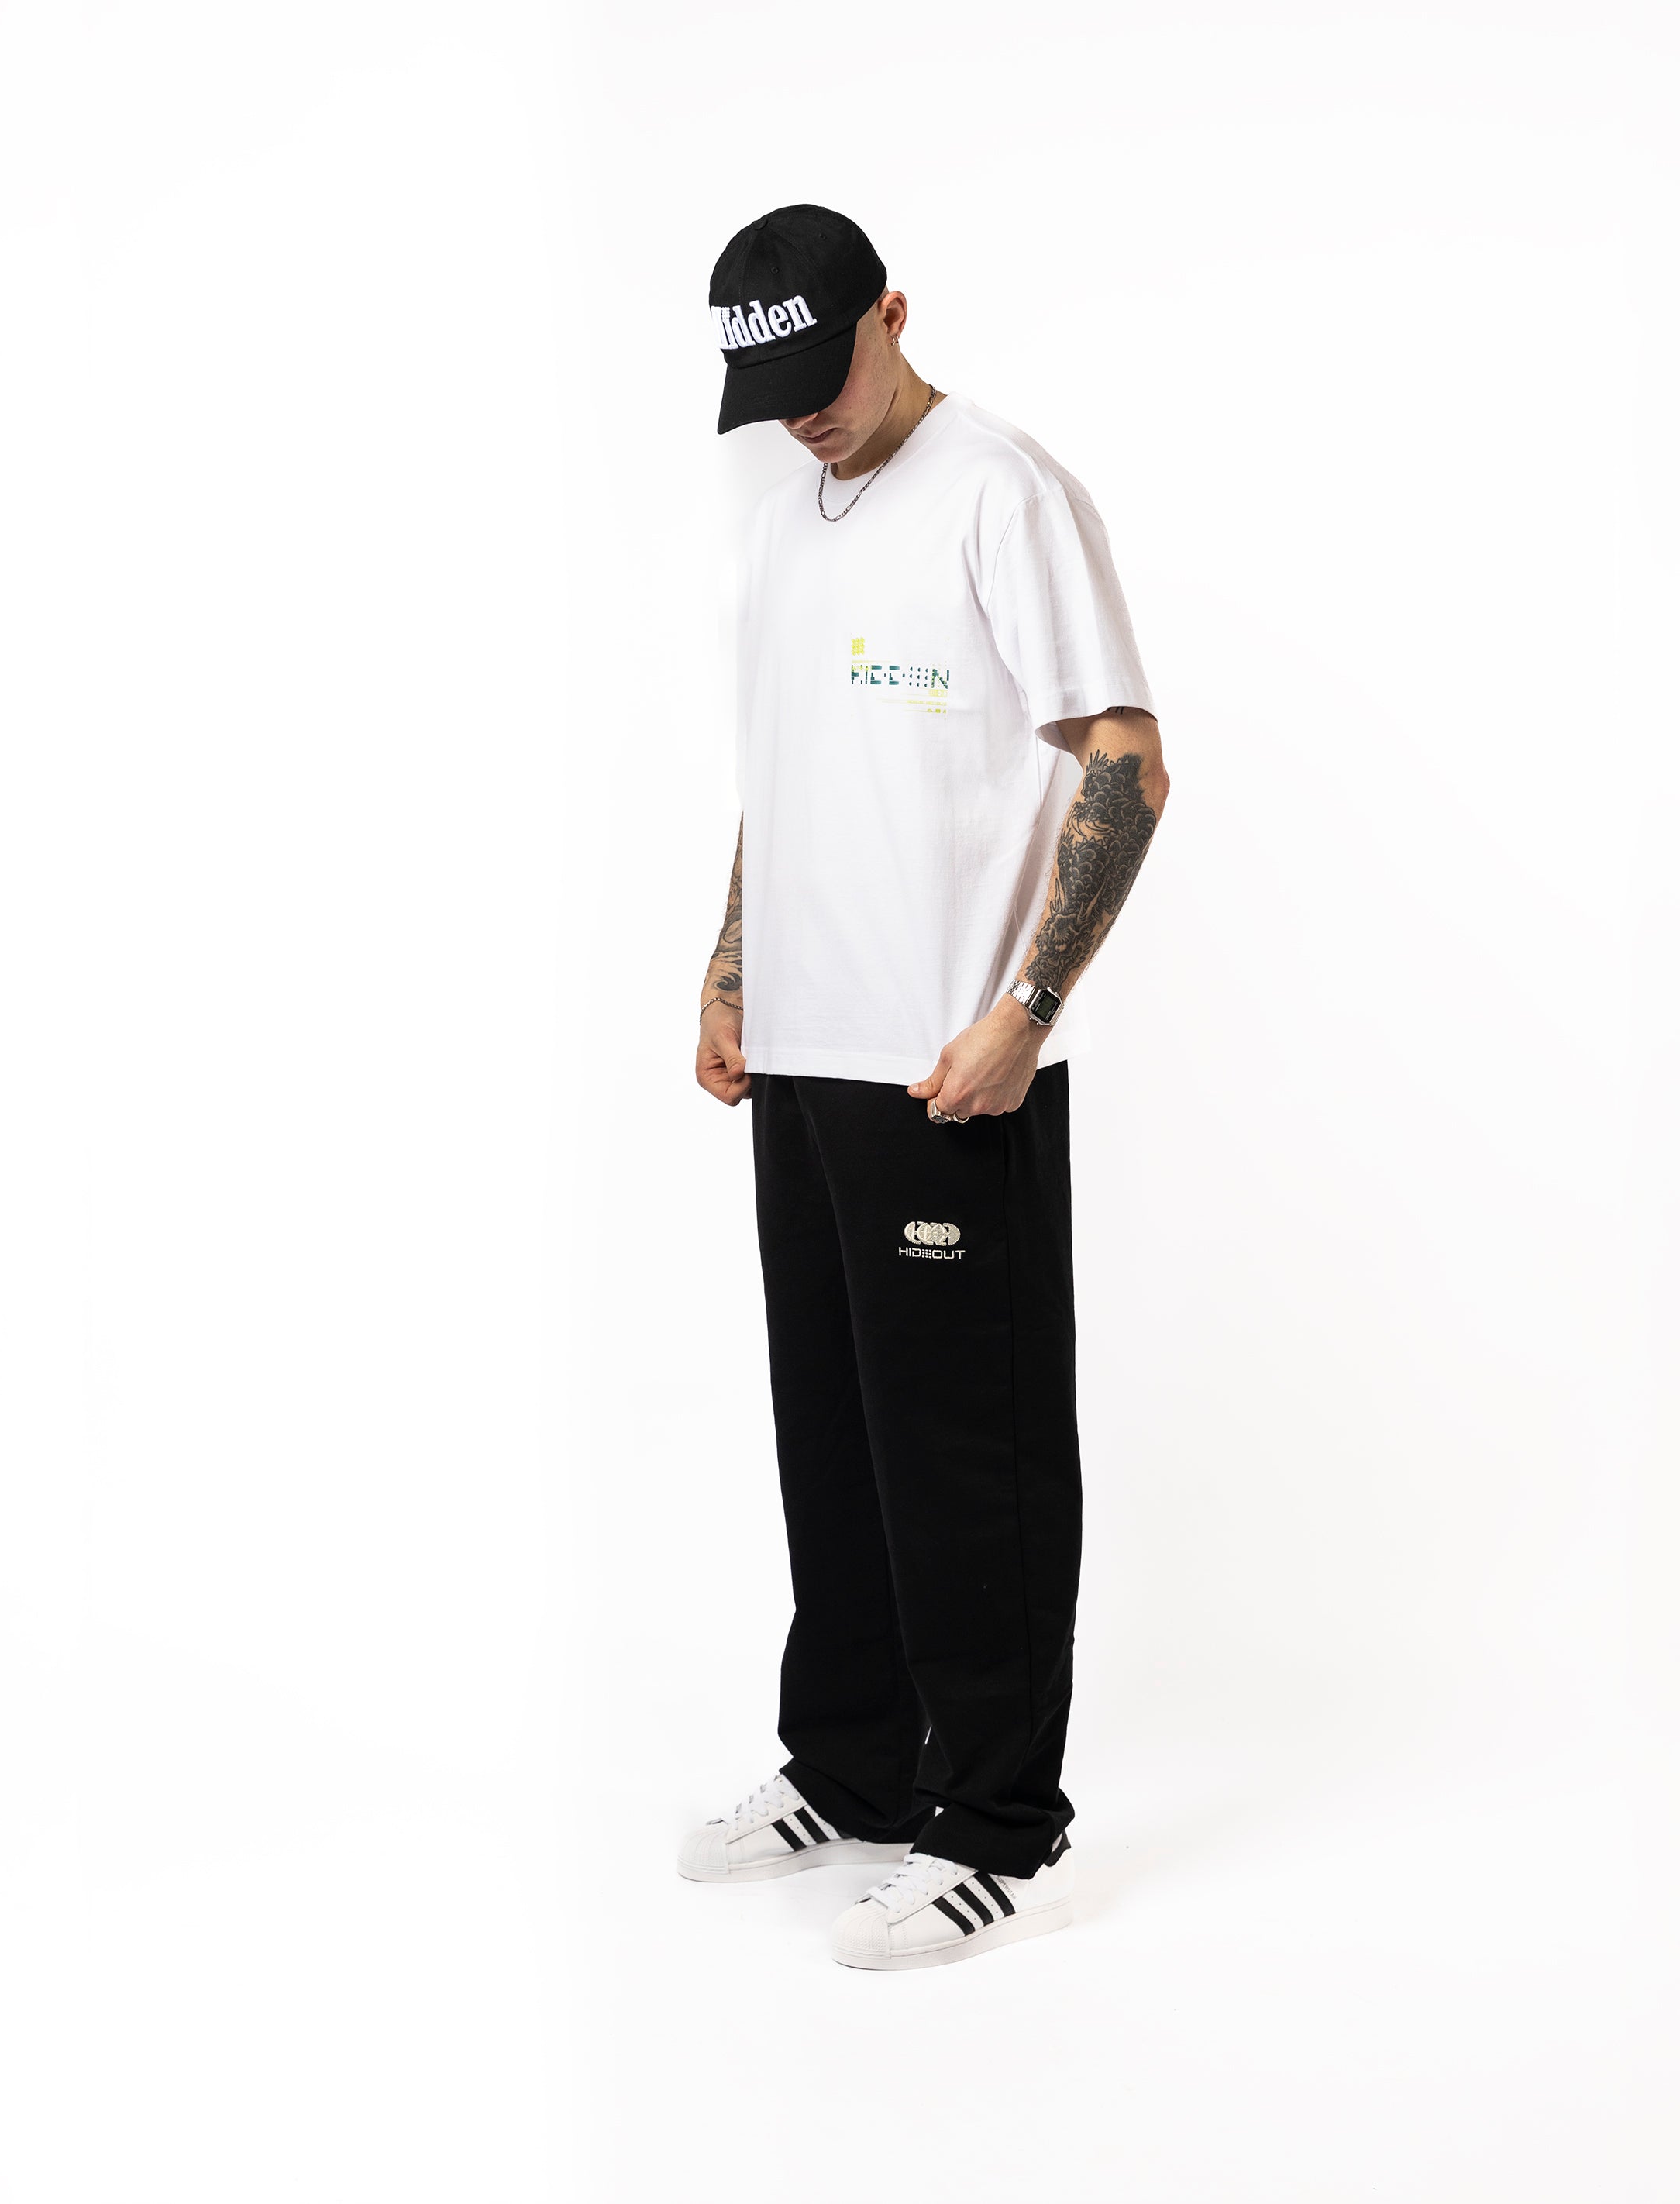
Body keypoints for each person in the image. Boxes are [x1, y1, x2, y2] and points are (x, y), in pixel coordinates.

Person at [683, 204, 1166, 1972]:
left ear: (893, 313)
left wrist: (1026, 1009)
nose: (806, 414)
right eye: (773, 393)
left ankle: (998, 1828)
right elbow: (788, 768)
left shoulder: (999, 492)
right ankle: (855, 1765)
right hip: (806, 1053)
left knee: (971, 1452)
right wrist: (735, 963)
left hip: (946, 1065)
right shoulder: (782, 518)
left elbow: (1125, 758)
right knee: (833, 1433)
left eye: (827, 372)